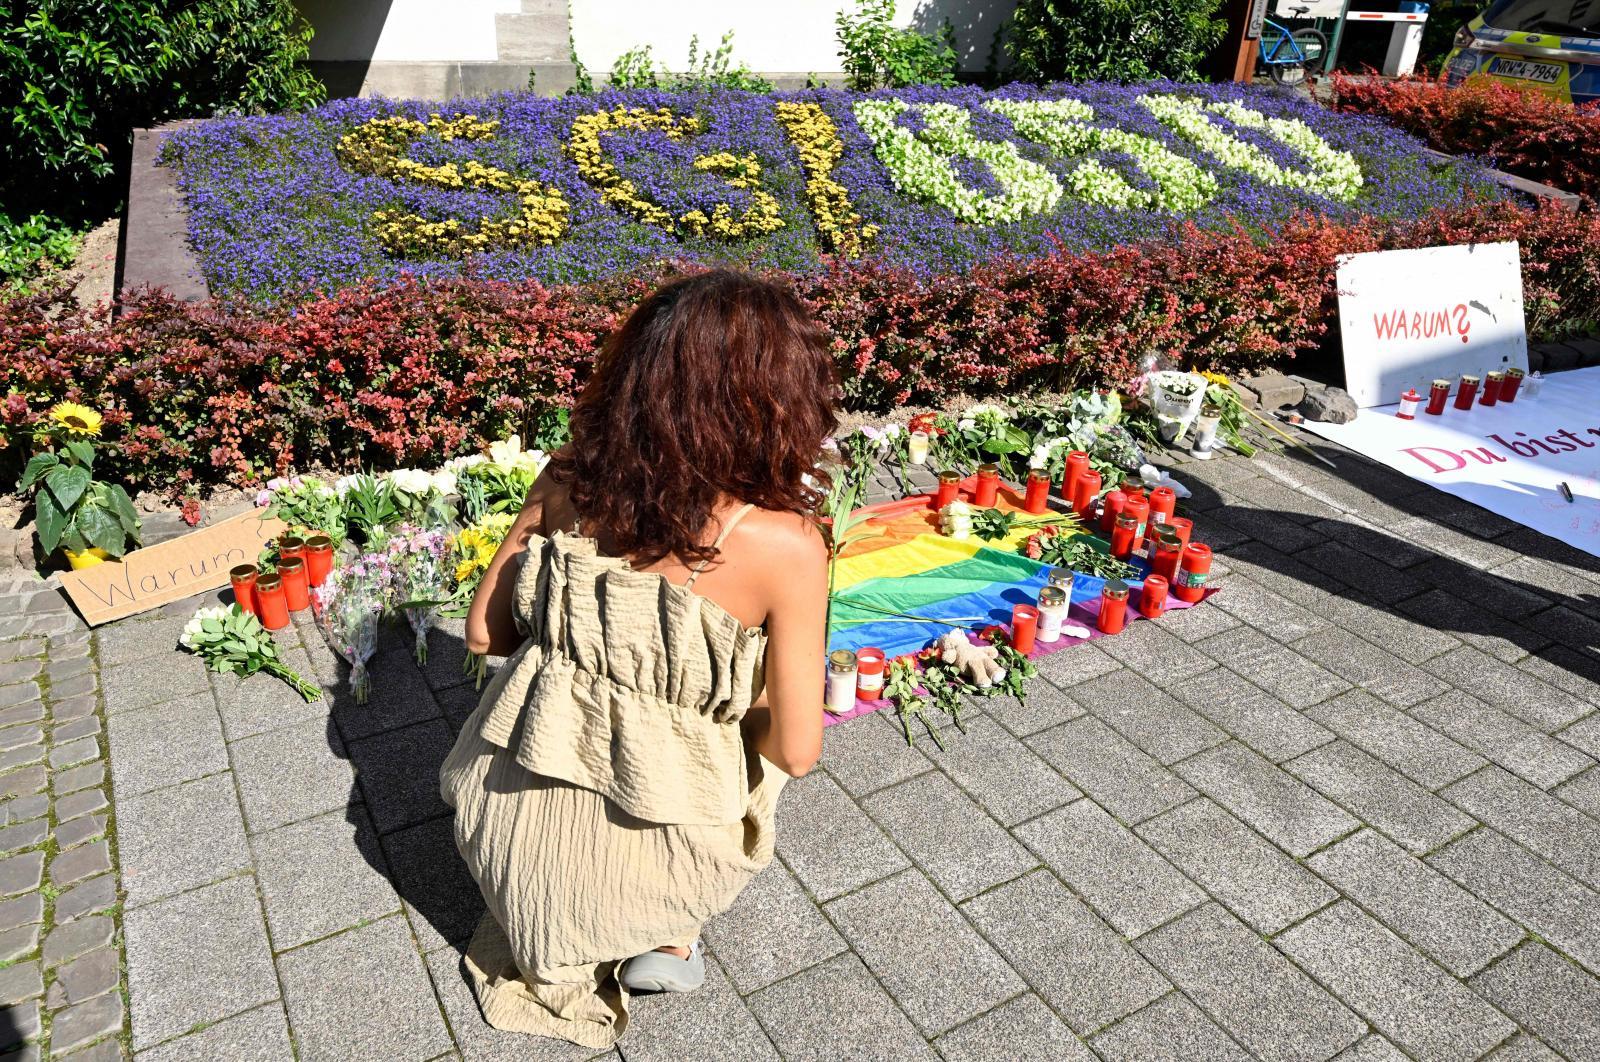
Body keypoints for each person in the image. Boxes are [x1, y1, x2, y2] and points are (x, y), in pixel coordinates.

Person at [440, 269, 833, 1049]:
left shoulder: (568, 478)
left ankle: (566, 897)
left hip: (500, 828)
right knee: (764, 726)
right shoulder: (785, 545)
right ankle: (667, 931)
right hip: (668, 842)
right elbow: (795, 749)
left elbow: (483, 636)